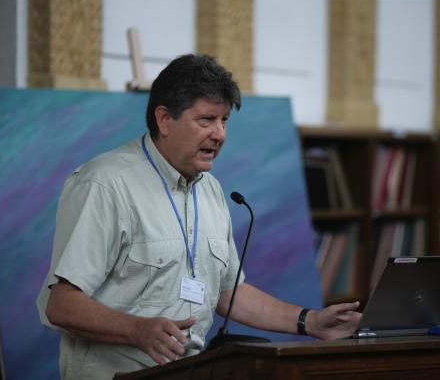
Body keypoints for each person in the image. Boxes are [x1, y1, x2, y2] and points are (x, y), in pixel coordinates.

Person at [36, 54, 361, 379]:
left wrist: (312, 321)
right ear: (164, 119)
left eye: (224, 121)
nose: (219, 134)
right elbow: (61, 304)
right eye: (206, 120)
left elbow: (227, 292)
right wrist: (137, 330)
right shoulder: (105, 185)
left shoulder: (211, 190)